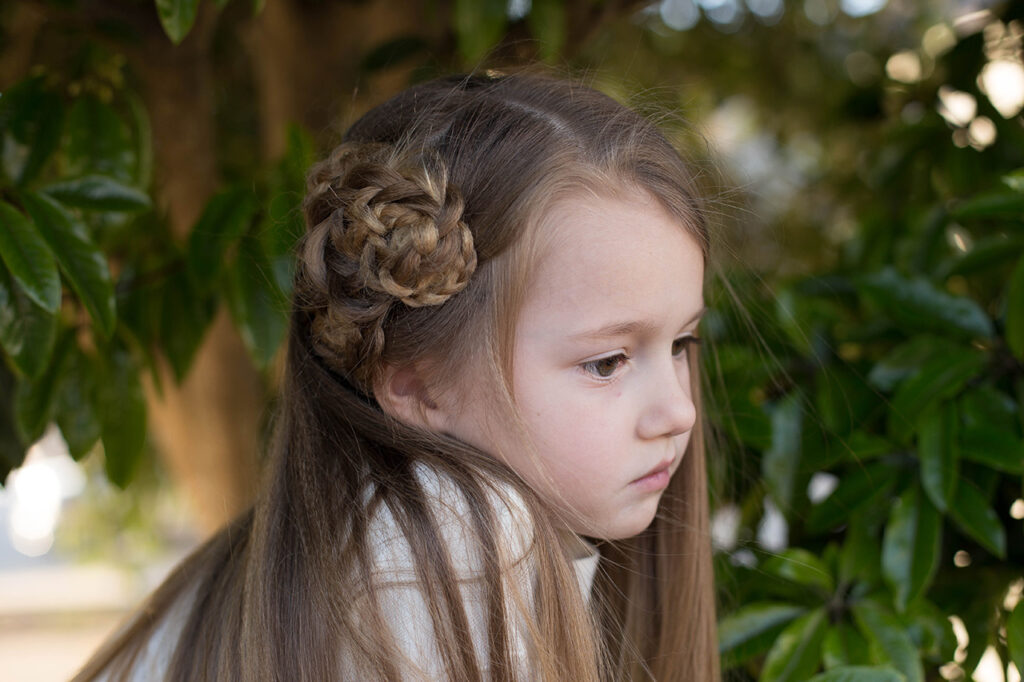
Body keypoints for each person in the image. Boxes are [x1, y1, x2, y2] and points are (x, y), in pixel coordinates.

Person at [73, 71, 719, 681]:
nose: (679, 411)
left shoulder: (296, 552)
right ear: (414, 383)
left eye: (682, 342)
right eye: (606, 363)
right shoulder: (449, 558)